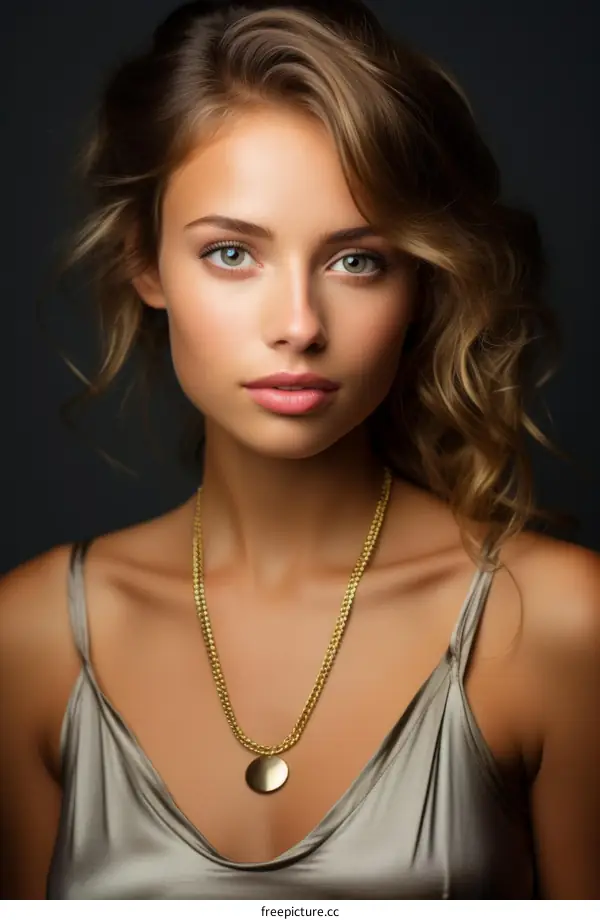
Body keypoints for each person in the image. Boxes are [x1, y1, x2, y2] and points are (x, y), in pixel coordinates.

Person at [0, 0, 598, 900]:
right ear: (147, 262)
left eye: (357, 260)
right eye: (233, 253)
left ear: (422, 279)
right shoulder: (32, 638)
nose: (298, 327)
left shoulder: (556, 625)